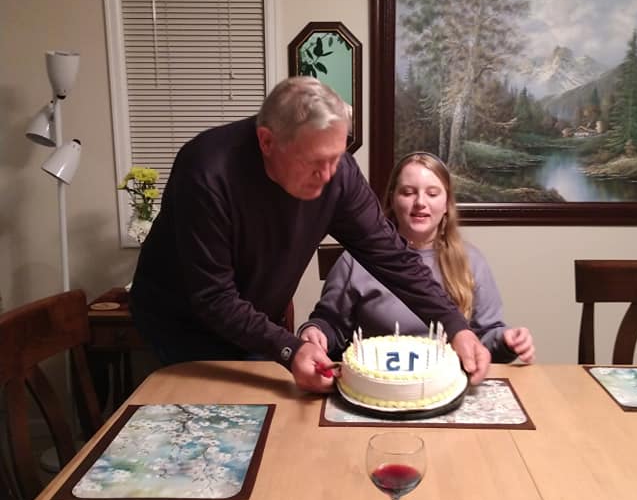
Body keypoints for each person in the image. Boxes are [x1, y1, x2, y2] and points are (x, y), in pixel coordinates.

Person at [129, 77, 491, 393]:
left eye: (337, 157)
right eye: (315, 162)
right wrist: (289, 348)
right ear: (267, 142)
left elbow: (391, 256)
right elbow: (213, 296)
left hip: (251, 317)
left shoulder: (337, 173)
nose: (329, 174)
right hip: (184, 322)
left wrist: (455, 325)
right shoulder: (206, 171)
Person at [299, 151, 535, 365]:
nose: (420, 203)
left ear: (447, 204)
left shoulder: (472, 261)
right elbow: (330, 324)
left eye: (432, 193)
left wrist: (506, 341)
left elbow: (485, 338)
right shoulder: (354, 260)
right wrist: (316, 331)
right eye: (408, 192)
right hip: (380, 385)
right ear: (392, 199)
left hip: (449, 386)